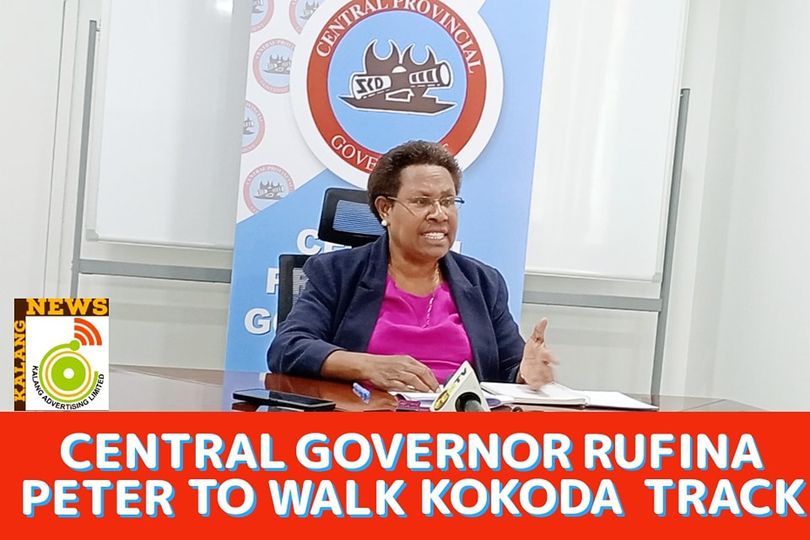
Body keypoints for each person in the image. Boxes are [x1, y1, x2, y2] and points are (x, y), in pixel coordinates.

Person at [267, 140, 557, 392]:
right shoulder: (336, 273)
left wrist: (524, 373)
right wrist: (367, 366)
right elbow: (288, 347)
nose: (439, 214)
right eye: (421, 201)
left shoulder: (482, 281)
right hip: (366, 424)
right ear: (385, 209)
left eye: (448, 201)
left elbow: (508, 367)